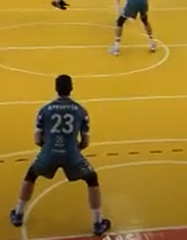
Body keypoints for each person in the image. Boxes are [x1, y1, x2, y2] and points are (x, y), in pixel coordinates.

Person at [9, 75, 112, 236]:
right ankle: (98, 222)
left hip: (49, 153)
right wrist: (72, 149)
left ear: (56, 88)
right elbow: (85, 142)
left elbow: (37, 140)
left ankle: (18, 213)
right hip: (72, 154)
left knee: (31, 176)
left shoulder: (44, 110)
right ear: (71, 88)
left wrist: (49, 148)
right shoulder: (80, 111)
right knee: (92, 179)